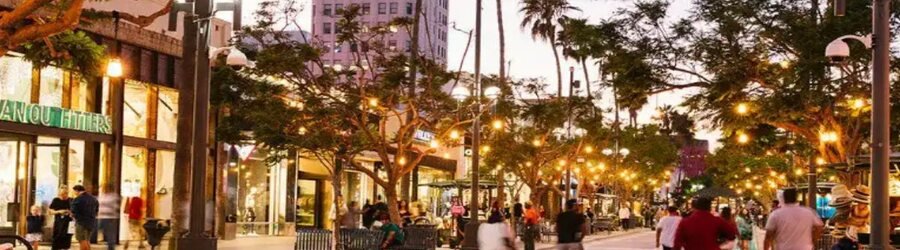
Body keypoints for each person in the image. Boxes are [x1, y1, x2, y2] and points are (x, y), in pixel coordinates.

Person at [672, 197, 737, 250]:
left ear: (694, 207)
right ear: (709, 208)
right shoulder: (717, 221)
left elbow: (677, 243)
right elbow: (732, 234)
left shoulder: (685, 222)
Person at [71, 185, 99, 250]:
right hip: (91, 222)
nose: (74, 193)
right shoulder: (93, 199)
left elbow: (73, 211)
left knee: (82, 240)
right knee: (87, 240)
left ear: (77, 191)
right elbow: (97, 210)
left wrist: (76, 218)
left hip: (81, 223)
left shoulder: (77, 199)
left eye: (74, 191)